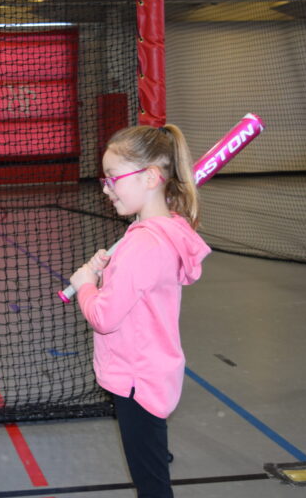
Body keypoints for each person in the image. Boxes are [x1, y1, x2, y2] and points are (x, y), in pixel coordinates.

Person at [69, 124, 211, 498]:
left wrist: (86, 284)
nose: (105, 188)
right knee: (151, 468)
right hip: (152, 368)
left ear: (150, 177)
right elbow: (136, 292)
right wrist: (106, 273)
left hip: (136, 378)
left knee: (151, 484)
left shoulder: (144, 244)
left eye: (114, 178)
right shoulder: (167, 229)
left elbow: (104, 317)